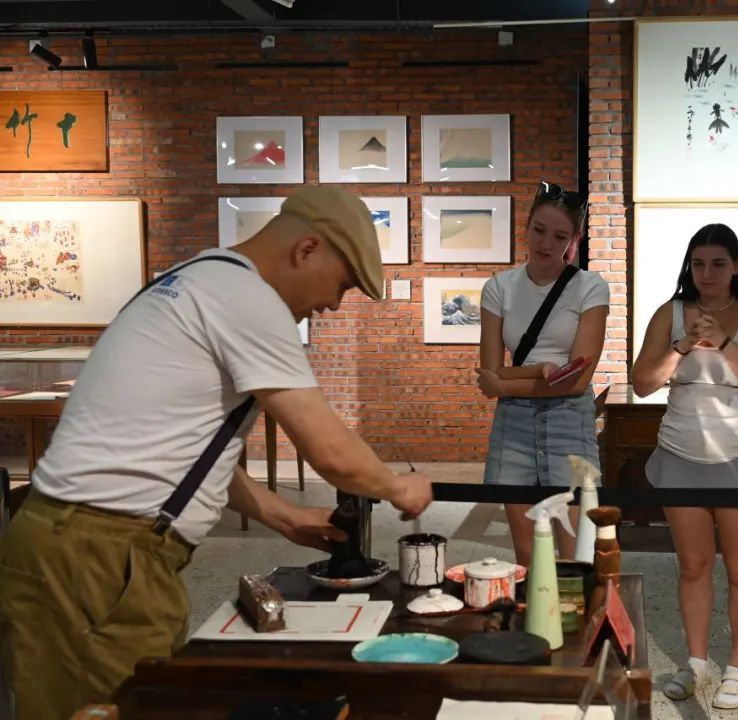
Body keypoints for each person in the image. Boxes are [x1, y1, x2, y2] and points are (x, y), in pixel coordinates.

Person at [0, 186, 434, 720]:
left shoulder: (197, 279)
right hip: (98, 558)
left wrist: (282, 515)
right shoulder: (247, 299)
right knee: (119, 707)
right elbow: (329, 450)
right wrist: (399, 485)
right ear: (306, 250)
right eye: (341, 285)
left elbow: (187, 445)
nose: (332, 304)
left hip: (78, 546)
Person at [631, 224, 738, 710]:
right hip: (681, 450)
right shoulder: (671, 311)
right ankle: (696, 661)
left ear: (736, 265)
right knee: (693, 565)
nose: (707, 273)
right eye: (698, 264)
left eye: (718, 263)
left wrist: (723, 342)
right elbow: (642, 383)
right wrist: (681, 346)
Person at [475, 181, 609, 566]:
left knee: (577, 555)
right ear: (527, 226)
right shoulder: (499, 287)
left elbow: (577, 381)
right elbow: (489, 378)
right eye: (539, 230)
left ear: (573, 239)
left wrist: (509, 382)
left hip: (569, 421)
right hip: (514, 424)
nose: (546, 243)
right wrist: (541, 372)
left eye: (559, 236)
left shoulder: (589, 287)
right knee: (526, 555)